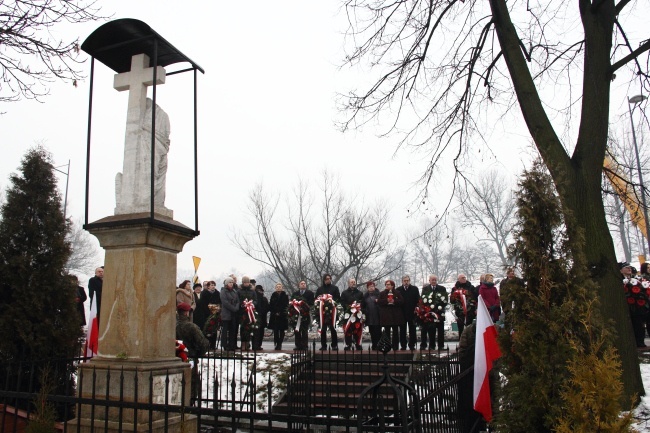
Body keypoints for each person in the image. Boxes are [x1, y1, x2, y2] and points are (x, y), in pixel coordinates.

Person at [176, 302, 209, 401]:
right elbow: (203, 343)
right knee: (192, 383)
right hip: (190, 358)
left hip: (176, 359)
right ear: (186, 313)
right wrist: (200, 353)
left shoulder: (172, 326)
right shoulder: (191, 327)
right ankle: (190, 403)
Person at [420, 274, 448, 350]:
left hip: (439, 312)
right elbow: (423, 300)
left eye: (435, 280)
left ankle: (441, 346)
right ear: (429, 280)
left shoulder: (442, 289)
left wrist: (439, 306)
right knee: (431, 329)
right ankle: (432, 345)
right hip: (430, 313)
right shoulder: (425, 289)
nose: (434, 281)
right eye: (432, 280)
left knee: (440, 330)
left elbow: (445, 300)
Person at [315, 274, 341, 350]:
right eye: (326, 279)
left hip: (332, 311)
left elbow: (338, 299)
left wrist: (332, 301)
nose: (328, 280)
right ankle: (323, 345)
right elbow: (316, 299)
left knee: (333, 328)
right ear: (324, 280)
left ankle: (334, 345)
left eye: (329, 278)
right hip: (322, 312)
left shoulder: (335, 288)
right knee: (323, 329)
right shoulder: (320, 289)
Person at [378, 280, 405, 351]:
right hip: (386, 316)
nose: (387, 286)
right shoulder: (382, 293)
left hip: (395, 316)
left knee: (395, 332)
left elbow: (402, 301)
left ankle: (395, 346)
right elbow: (379, 302)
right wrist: (386, 300)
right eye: (386, 284)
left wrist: (394, 301)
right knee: (387, 332)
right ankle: (387, 346)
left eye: (388, 284)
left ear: (392, 286)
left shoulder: (397, 293)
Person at [450, 274, 477, 339]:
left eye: (465, 277)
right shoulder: (455, 288)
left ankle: (470, 342)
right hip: (459, 310)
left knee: (469, 327)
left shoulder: (471, 287)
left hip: (469, 310)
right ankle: (461, 341)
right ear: (458, 279)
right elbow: (452, 300)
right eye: (462, 278)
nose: (464, 279)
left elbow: (475, 298)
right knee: (460, 326)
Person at [397, 275, 419, 350]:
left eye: (407, 281)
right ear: (402, 281)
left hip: (412, 313)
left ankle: (412, 345)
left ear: (409, 281)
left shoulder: (414, 289)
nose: (406, 282)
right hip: (402, 313)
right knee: (402, 331)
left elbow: (417, 300)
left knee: (412, 330)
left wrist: (416, 308)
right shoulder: (398, 290)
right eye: (404, 281)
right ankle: (403, 345)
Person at [341, 278, 364, 350]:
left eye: (354, 282)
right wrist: (348, 307)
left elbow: (362, 302)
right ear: (349, 283)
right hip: (348, 314)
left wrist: (357, 307)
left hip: (357, 314)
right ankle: (348, 344)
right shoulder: (344, 293)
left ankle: (358, 344)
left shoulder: (360, 293)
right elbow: (342, 302)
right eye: (351, 282)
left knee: (357, 329)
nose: (353, 283)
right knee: (348, 329)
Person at [291, 280, 315, 350]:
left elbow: (311, 303)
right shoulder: (295, 293)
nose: (303, 285)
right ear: (299, 285)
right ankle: (298, 345)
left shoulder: (310, 293)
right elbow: (292, 302)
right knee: (297, 330)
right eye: (301, 283)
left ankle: (305, 345)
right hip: (296, 315)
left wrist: (305, 307)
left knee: (304, 330)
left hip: (305, 314)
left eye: (304, 283)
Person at [238, 276, 258, 351]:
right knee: (243, 328)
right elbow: (238, 299)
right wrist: (242, 304)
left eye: (247, 282)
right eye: (245, 282)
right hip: (242, 312)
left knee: (250, 328)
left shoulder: (252, 291)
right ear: (243, 283)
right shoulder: (239, 291)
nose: (246, 284)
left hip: (251, 311)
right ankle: (243, 343)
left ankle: (248, 343)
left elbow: (255, 300)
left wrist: (252, 304)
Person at [220, 277, 240, 350]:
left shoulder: (234, 291)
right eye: (230, 282)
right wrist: (233, 308)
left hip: (233, 314)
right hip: (226, 313)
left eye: (232, 282)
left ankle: (231, 345)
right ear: (226, 283)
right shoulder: (223, 291)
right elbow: (225, 302)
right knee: (225, 330)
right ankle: (224, 345)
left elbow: (238, 301)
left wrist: (236, 307)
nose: (231, 284)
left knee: (233, 330)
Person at [268, 282, 289, 350]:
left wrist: (280, 312)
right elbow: (271, 305)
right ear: (275, 288)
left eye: (280, 287)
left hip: (282, 316)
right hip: (275, 316)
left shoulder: (285, 296)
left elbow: (286, 305)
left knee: (282, 331)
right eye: (277, 287)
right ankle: (276, 343)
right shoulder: (273, 295)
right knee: (276, 331)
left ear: (282, 288)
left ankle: (280, 343)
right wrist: (275, 312)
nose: (278, 288)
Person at [363, 281, 381, 350]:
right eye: (369, 286)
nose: (371, 288)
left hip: (377, 316)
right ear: (367, 288)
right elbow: (363, 305)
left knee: (378, 331)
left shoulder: (379, 294)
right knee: (372, 331)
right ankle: (374, 344)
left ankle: (379, 344)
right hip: (369, 316)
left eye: (372, 286)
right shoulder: (365, 296)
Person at [253, 285, 269, 351]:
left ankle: (259, 345)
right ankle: (255, 345)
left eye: (260, 290)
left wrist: (263, 311)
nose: (259, 292)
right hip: (256, 317)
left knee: (261, 332)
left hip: (263, 317)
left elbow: (267, 307)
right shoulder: (255, 298)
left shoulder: (264, 299)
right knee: (256, 332)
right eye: (258, 290)